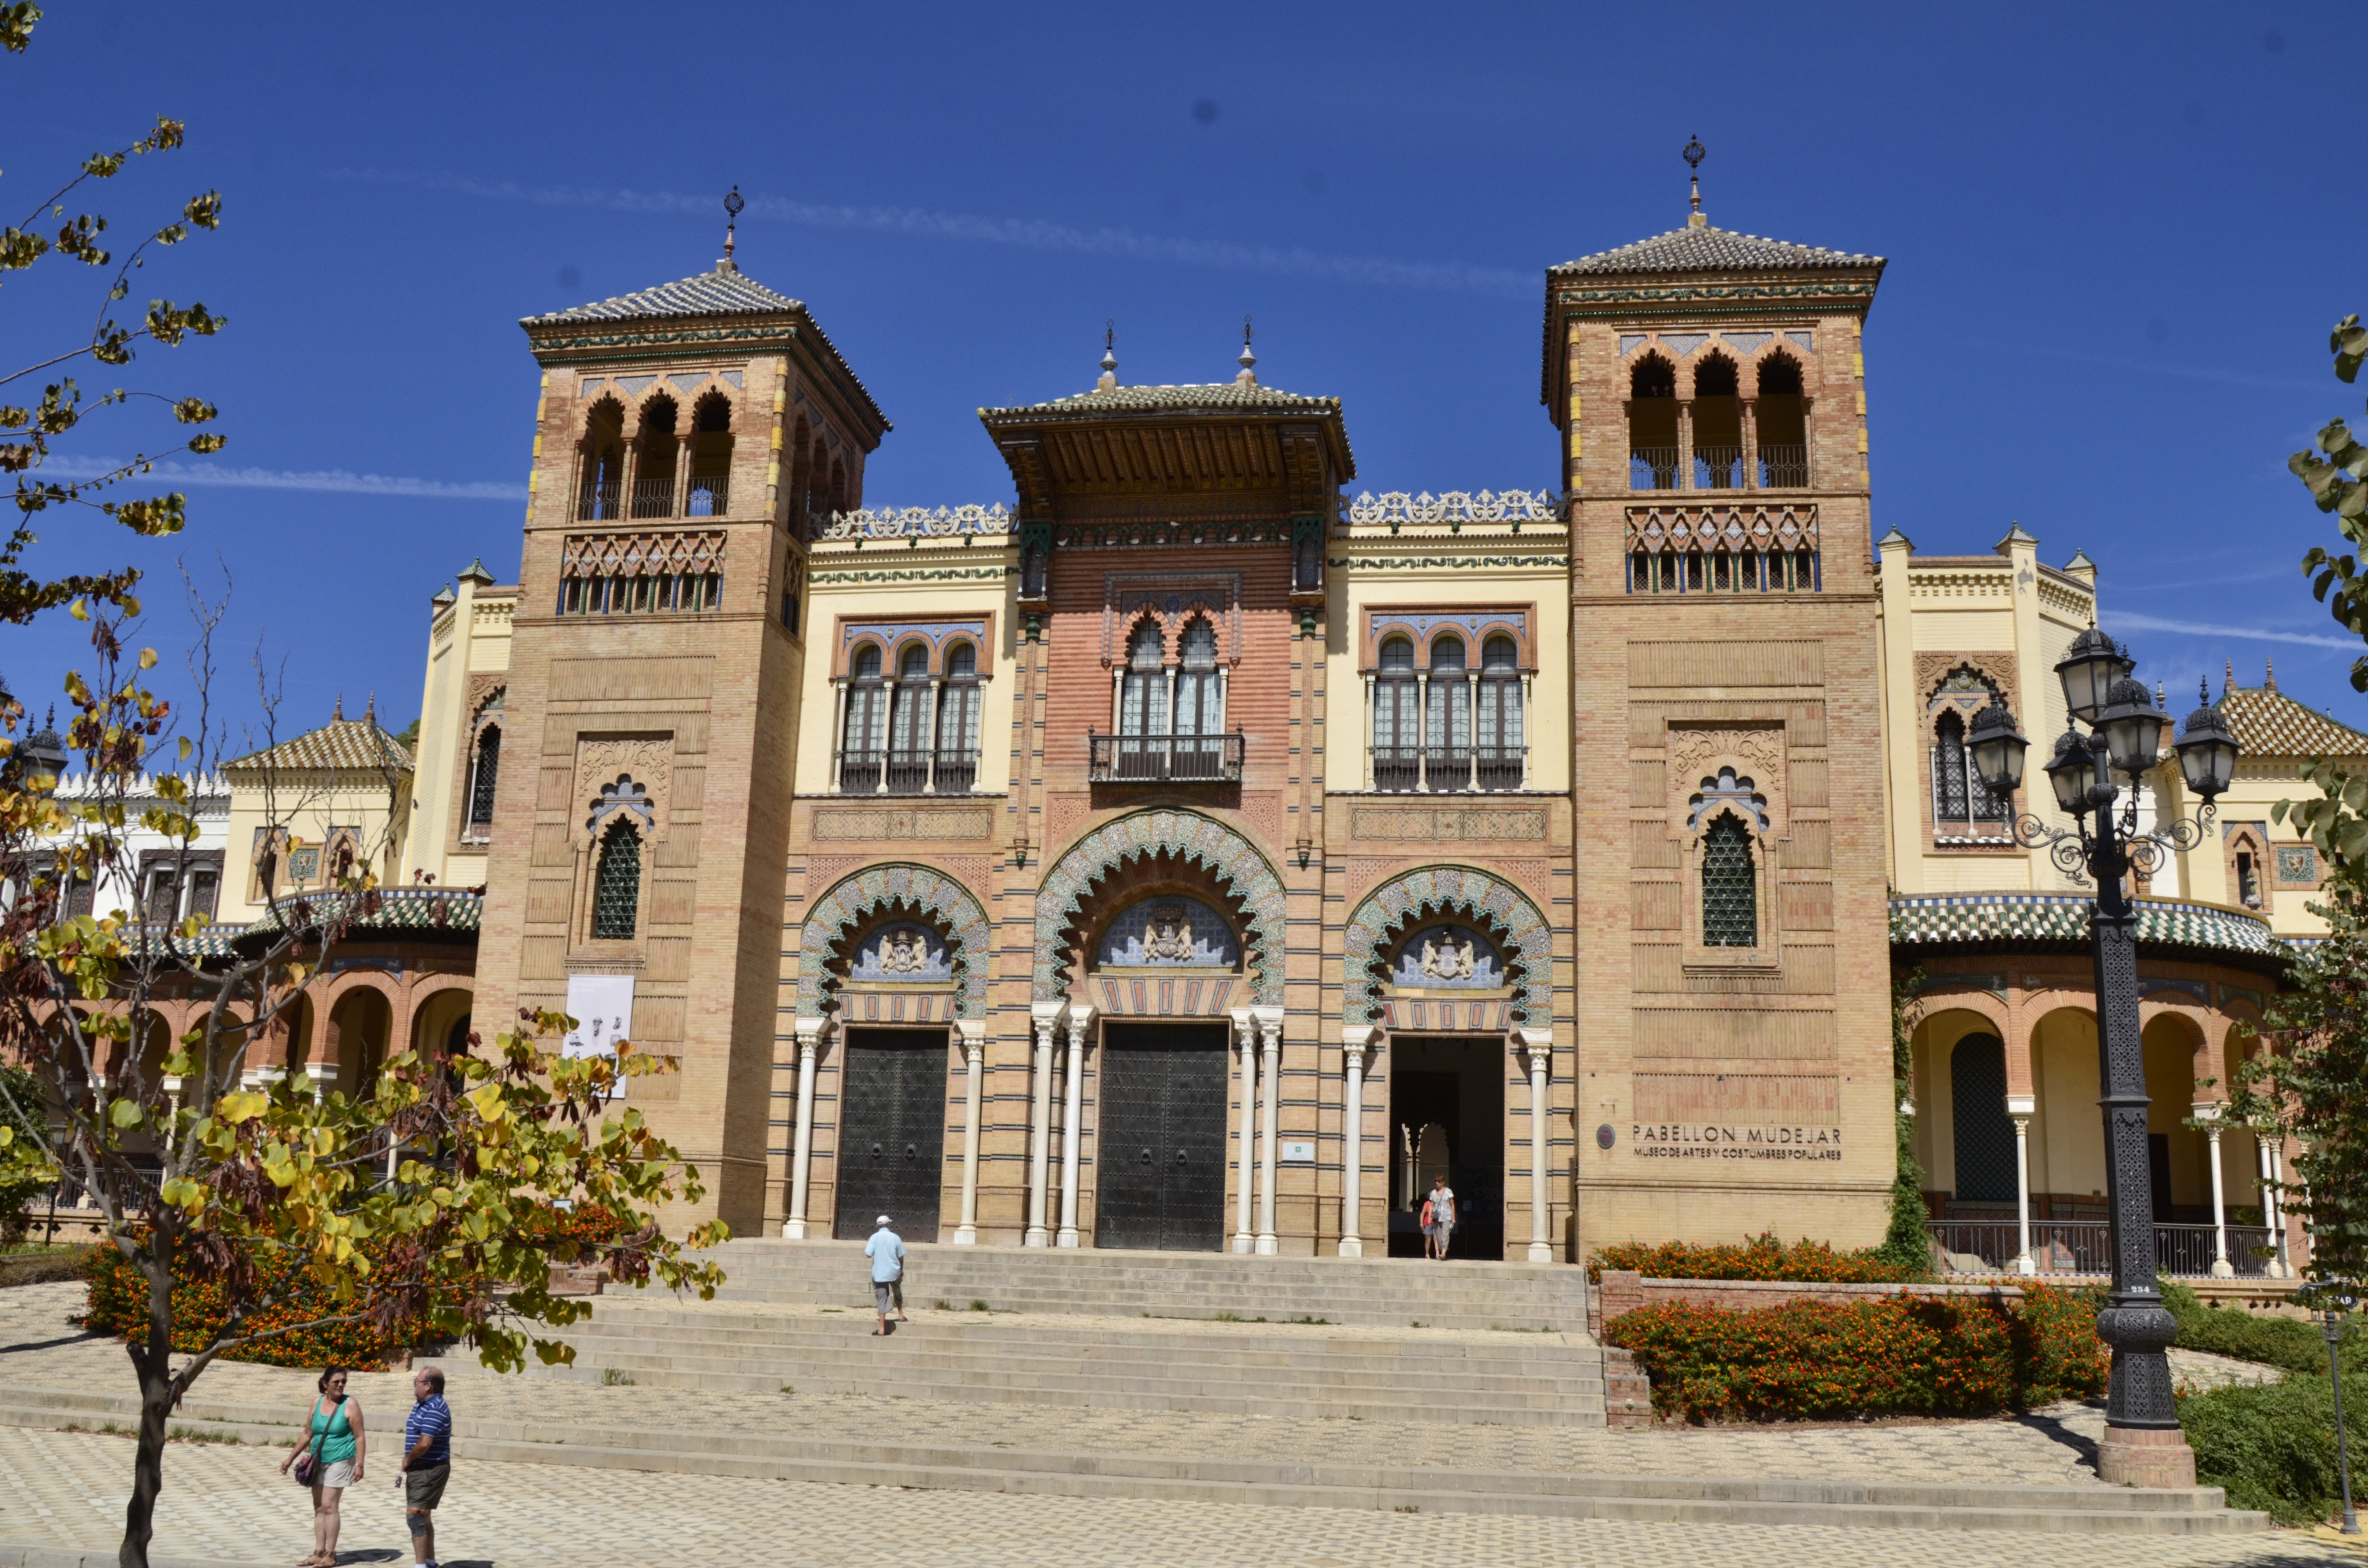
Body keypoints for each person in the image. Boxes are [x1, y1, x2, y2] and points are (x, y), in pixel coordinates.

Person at [280, 1365, 363, 1568]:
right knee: (318, 1507)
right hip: (318, 1460)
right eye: (336, 1382)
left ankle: (331, 1554)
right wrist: (290, 1459)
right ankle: (318, 1552)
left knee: (329, 1505)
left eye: (344, 1381)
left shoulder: (350, 1404)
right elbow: (308, 1433)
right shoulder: (316, 1403)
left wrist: (360, 1464)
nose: (341, 1385)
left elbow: (360, 1436)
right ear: (325, 1383)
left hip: (341, 1460)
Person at [400, 1364, 452, 1568]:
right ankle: (430, 1562)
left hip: (430, 1469)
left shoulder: (436, 1408)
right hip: (421, 1469)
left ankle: (421, 1565)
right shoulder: (422, 1404)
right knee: (423, 1515)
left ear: (428, 1385)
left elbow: (424, 1443)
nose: (415, 1385)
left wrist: (408, 1459)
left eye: (417, 1382)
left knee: (416, 1516)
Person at [865, 1214, 906, 1335]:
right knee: (897, 1291)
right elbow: (901, 1256)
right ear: (888, 1224)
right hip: (894, 1271)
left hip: (879, 1272)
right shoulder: (895, 1238)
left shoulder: (874, 1237)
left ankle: (881, 1329)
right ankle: (901, 1314)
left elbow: (868, 1254)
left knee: (882, 1299)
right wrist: (901, 1270)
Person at [1425, 1174, 1457, 1261]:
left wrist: (1453, 1217)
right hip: (1437, 1217)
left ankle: (1443, 1254)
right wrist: (1429, 1217)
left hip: (1447, 1216)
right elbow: (1432, 1206)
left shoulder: (1448, 1191)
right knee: (1438, 1236)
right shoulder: (1433, 1193)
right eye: (1436, 1181)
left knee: (1445, 1234)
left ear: (1443, 1182)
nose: (1437, 1183)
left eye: (1439, 1181)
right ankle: (1443, 1250)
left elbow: (1452, 1205)